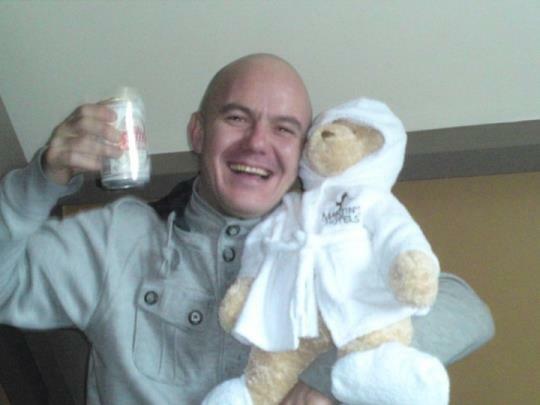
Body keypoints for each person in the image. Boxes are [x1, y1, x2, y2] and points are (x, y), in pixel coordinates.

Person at [0, 54, 494, 404]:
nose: (257, 143)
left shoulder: (324, 237)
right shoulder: (119, 239)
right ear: (198, 133)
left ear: (302, 151)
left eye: (284, 128)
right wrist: (41, 180)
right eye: (237, 118)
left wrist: (330, 377)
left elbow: (466, 310)